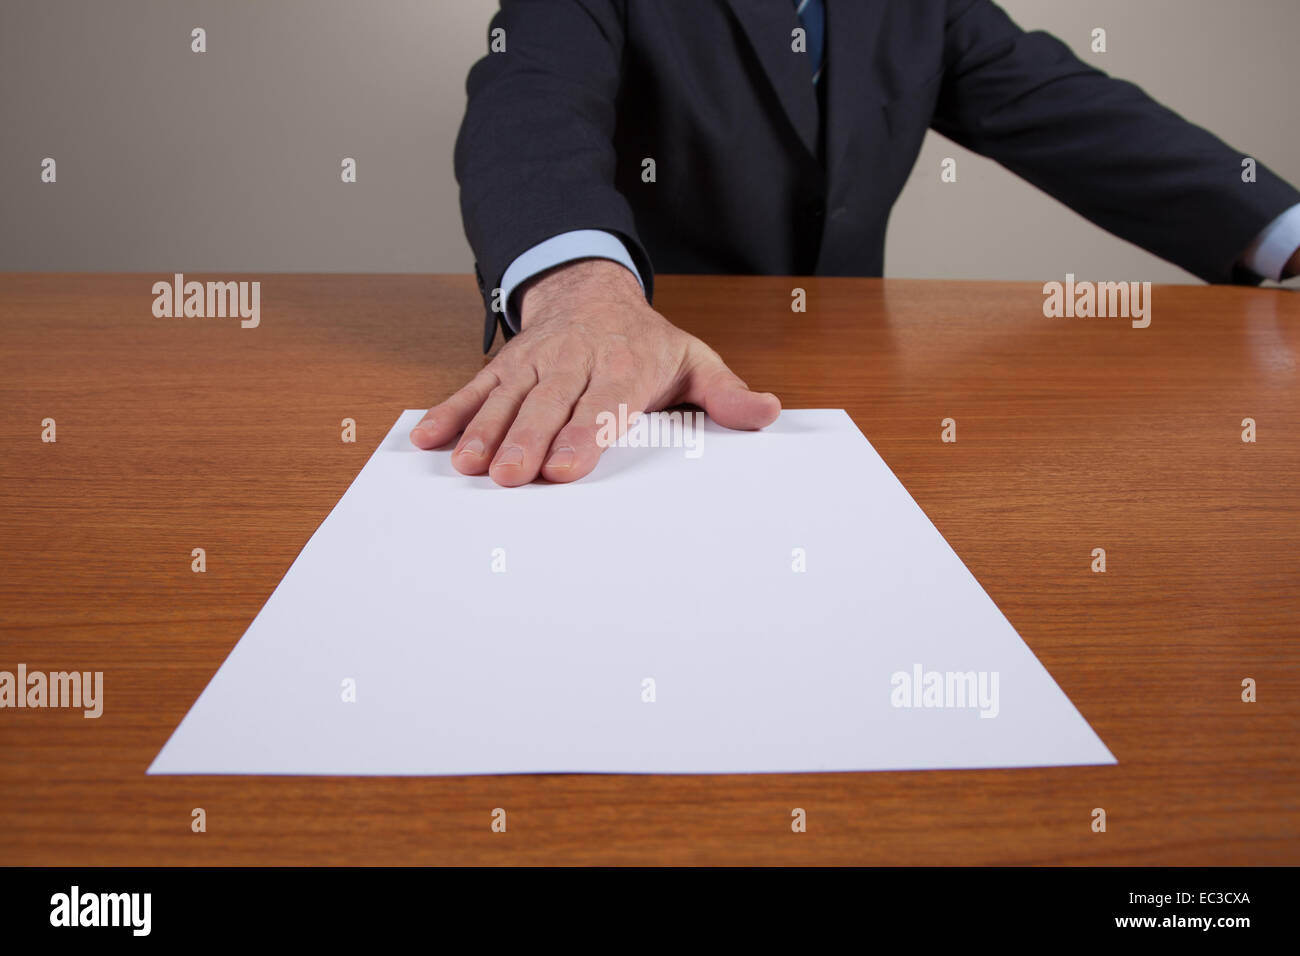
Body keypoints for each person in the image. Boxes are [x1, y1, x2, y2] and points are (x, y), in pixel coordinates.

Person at [409, 0, 1300, 486]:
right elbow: (527, 100)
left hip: (860, 411)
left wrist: (1288, 235)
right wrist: (582, 293)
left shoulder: (927, 10)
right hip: (647, 402)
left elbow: (1079, 114)